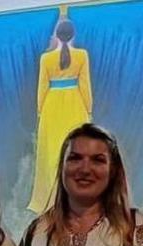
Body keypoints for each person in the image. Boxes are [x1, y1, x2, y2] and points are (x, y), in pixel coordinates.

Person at [28, 10, 94, 214]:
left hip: (52, 106)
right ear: (73, 35)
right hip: (74, 103)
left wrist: (41, 113)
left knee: (51, 153)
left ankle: (50, 199)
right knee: (76, 149)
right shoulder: (82, 55)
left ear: (56, 35)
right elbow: (86, 87)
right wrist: (88, 111)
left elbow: (41, 89)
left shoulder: (45, 58)